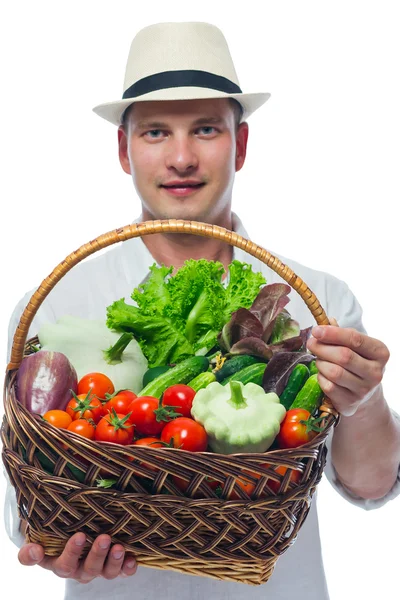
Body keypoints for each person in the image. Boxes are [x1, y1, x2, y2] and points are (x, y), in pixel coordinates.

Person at [4, 21, 400, 600]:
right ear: (124, 150)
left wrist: (364, 400)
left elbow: (372, 486)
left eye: (207, 129)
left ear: (240, 145)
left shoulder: (320, 300)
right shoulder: (60, 301)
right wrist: (54, 551)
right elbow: (22, 499)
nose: (182, 158)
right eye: (157, 132)